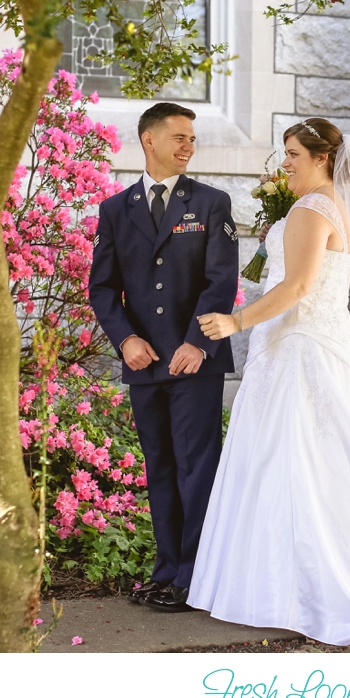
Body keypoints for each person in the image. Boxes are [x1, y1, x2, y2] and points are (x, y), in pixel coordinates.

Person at [190, 118, 350, 645]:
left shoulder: (310, 210)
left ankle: (294, 589)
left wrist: (235, 322)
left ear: (322, 158)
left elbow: (300, 285)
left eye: (292, 153)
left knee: (295, 459)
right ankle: (330, 577)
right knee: (336, 459)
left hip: (303, 347)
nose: (284, 162)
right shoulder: (340, 208)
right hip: (325, 341)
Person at [89, 102, 239, 613]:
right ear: (148, 140)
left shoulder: (212, 204)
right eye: (178, 137)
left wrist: (199, 344)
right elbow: (103, 288)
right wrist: (126, 340)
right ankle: (167, 569)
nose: (187, 146)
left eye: (191, 138)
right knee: (160, 468)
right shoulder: (115, 210)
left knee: (197, 467)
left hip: (195, 361)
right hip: (144, 362)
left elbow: (221, 282)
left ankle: (195, 577)